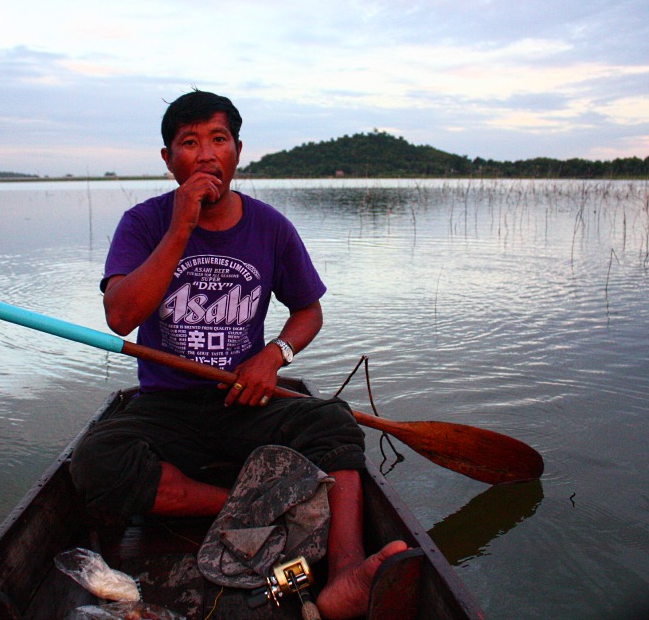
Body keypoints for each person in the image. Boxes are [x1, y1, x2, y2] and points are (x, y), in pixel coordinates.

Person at [70, 90, 406, 620]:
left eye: (218, 140)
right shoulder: (143, 224)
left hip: (243, 400)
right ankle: (255, 502)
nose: (205, 154)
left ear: (238, 152)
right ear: (168, 161)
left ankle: (345, 572)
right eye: (189, 143)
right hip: (165, 409)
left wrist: (275, 355)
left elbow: (308, 311)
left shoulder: (270, 227)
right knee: (95, 461)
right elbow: (120, 316)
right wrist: (182, 224)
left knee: (337, 425)